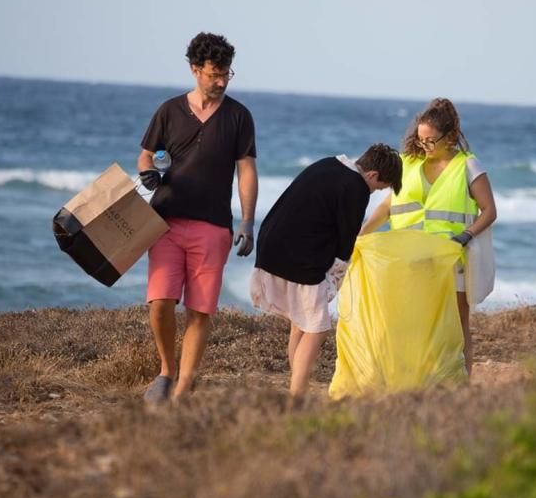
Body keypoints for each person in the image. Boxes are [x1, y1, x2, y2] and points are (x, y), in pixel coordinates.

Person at [138, 32, 258, 403]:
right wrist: (146, 171)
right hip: (166, 222)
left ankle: (184, 387)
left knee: (200, 309)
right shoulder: (169, 110)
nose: (221, 81)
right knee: (160, 302)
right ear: (194, 70)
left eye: (226, 74)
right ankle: (166, 371)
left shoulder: (239, 116)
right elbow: (145, 154)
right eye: (213, 74)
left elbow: (247, 170)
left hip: (213, 226)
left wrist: (248, 221)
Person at [250, 144, 403, 400]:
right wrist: (336, 279)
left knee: (300, 323)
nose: (375, 191)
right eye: (379, 187)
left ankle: (295, 388)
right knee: (316, 328)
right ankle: (296, 396)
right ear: (373, 175)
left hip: (271, 244)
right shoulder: (356, 187)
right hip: (301, 257)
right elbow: (346, 239)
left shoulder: (328, 164)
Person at [360, 98, 497, 376]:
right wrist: (360, 235)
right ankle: (416, 376)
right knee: (411, 319)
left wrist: (466, 236)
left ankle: (461, 379)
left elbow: (489, 211)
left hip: (451, 258)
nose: (425, 146)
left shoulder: (468, 166)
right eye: (421, 140)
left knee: (457, 322)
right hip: (410, 257)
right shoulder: (408, 163)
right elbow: (388, 206)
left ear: (451, 137)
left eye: (431, 141)